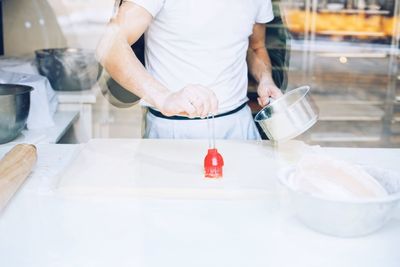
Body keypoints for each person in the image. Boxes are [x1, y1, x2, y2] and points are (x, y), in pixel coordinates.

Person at [97, 0, 283, 140]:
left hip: (238, 126)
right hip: (172, 129)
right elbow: (110, 44)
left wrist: (265, 77)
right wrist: (164, 97)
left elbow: (256, 47)